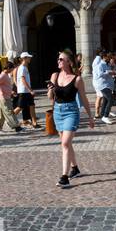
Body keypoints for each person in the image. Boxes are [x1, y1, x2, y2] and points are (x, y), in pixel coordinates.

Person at [50, 50, 97, 187]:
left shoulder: (77, 79)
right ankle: (75, 168)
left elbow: (84, 99)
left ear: (69, 62)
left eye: (61, 59)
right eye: (58, 59)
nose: (58, 61)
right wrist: (50, 88)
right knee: (67, 143)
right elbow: (50, 97)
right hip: (57, 112)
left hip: (71, 112)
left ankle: (64, 177)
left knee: (64, 143)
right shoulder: (55, 75)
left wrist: (90, 117)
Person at [0, 61, 22, 133]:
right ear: (8, 68)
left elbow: (5, 86)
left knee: (1, 113)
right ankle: (16, 126)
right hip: (4, 97)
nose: (12, 71)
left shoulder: (6, 75)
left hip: (6, 96)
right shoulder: (2, 75)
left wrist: (11, 92)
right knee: (9, 111)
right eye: (11, 69)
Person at [92, 50, 116, 124]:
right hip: (102, 85)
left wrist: (113, 70)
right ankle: (105, 116)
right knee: (111, 99)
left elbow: (110, 71)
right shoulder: (100, 65)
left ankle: (102, 114)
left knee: (105, 100)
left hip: (107, 85)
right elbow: (99, 74)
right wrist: (108, 72)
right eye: (108, 57)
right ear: (104, 57)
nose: (109, 58)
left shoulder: (106, 64)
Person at [16, 52, 38, 126]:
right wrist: (30, 90)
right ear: (24, 58)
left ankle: (34, 123)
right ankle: (9, 119)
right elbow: (23, 80)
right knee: (20, 107)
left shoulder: (25, 67)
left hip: (26, 91)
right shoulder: (22, 68)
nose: (30, 58)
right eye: (28, 57)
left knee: (32, 106)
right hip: (23, 91)